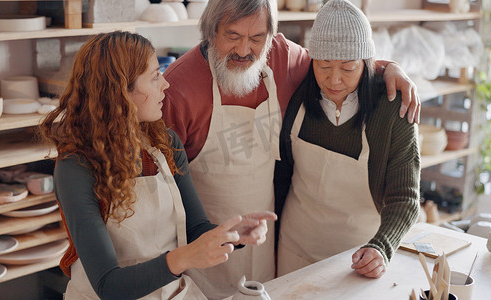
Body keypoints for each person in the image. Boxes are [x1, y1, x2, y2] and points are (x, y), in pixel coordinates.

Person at [161, 0, 420, 298]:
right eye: (233, 36)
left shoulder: (282, 59)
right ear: (209, 32)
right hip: (203, 249)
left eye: (257, 38)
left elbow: (340, 58)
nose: (245, 50)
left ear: (271, 37)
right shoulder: (177, 90)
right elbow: (162, 196)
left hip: (271, 247)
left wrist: (389, 68)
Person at [39, 31, 277, 300]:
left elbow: (195, 228)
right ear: (120, 92)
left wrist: (232, 234)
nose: (165, 84)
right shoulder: (76, 167)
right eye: (154, 76)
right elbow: (109, 286)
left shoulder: (164, 143)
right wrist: (184, 257)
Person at [275, 0, 420, 278]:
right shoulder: (298, 95)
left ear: (367, 63)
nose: (334, 80)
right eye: (323, 66)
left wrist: (381, 247)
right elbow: (282, 174)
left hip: (358, 256)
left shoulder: (393, 108)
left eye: (348, 68)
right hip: (295, 246)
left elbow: (405, 198)